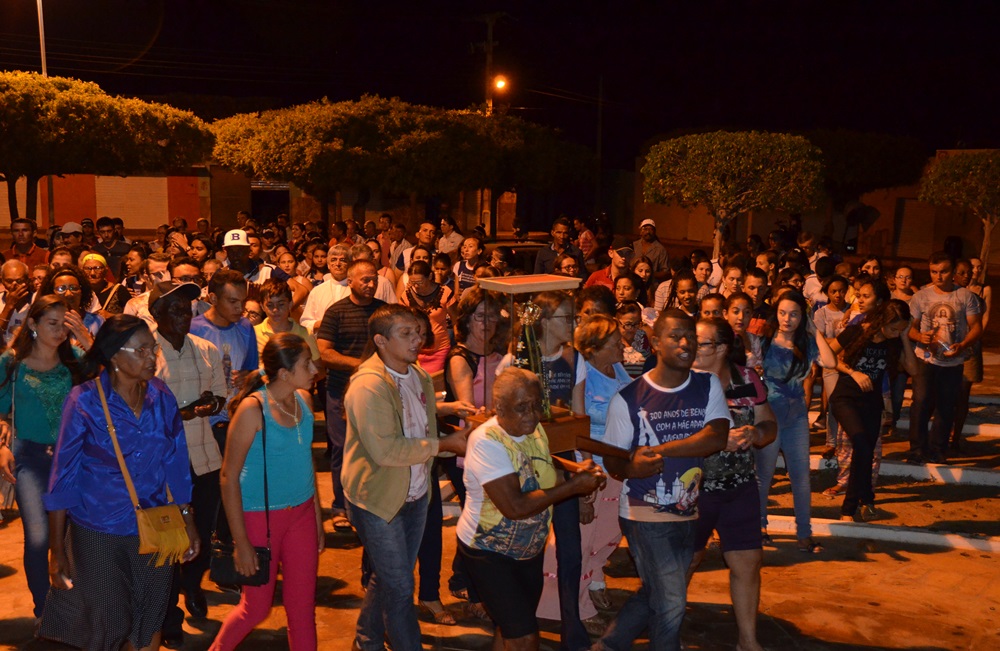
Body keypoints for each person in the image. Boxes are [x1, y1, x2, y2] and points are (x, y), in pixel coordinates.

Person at [40, 315, 199, 651]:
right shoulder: (84, 401)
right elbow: (62, 478)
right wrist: (57, 550)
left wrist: (188, 520)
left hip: (156, 524)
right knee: (110, 621)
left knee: (151, 615)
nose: (152, 357)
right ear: (114, 355)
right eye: (141, 350)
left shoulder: (161, 396)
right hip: (99, 531)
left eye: (153, 349)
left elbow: (176, 463)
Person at [593, 308, 730, 651]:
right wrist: (631, 468)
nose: (686, 344)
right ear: (655, 343)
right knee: (671, 601)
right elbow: (613, 459)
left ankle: (608, 646)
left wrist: (657, 451)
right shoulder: (629, 398)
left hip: (687, 508)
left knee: (657, 591)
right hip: (644, 513)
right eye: (675, 337)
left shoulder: (707, 384)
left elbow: (715, 437)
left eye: (691, 336)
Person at [343, 304, 469, 651]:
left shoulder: (418, 376)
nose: (418, 339)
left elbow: (421, 429)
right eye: (407, 333)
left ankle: (366, 642)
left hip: (416, 494)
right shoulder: (368, 386)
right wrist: (445, 444)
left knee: (388, 578)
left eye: (418, 332)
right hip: (378, 500)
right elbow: (385, 450)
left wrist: (454, 438)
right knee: (400, 587)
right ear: (380, 341)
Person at [459, 367, 605, 651]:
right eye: (521, 407)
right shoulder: (487, 441)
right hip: (489, 552)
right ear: (499, 407)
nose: (532, 414)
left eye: (536, 405)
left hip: (528, 550)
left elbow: (543, 467)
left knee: (511, 628)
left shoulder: (533, 429)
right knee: (525, 638)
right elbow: (514, 506)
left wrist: (577, 472)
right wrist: (574, 488)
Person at [210, 333, 324, 651]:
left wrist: (317, 518)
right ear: (284, 373)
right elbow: (228, 477)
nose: (315, 370)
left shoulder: (304, 400)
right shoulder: (253, 409)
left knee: (303, 610)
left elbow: (306, 463)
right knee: (255, 608)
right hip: (261, 519)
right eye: (307, 364)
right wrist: (242, 543)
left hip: (301, 514)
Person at [688, 317, 777, 651]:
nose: (690, 348)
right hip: (693, 490)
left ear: (722, 348)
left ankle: (748, 641)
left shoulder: (747, 379)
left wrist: (755, 433)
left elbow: (769, 425)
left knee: (748, 562)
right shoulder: (683, 381)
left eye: (700, 342)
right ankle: (666, 634)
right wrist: (714, 441)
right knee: (686, 562)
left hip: (739, 487)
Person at [149, 281, 228, 647]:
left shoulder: (206, 348)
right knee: (168, 543)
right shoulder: (147, 352)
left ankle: (193, 585)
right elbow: (138, 407)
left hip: (204, 456)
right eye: (175, 309)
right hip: (162, 463)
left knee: (203, 536)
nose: (185, 315)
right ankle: (169, 619)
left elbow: (221, 394)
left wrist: (212, 405)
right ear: (156, 314)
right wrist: (179, 414)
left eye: (188, 308)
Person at [0, 296, 85, 626]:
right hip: (29, 458)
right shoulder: (11, 363)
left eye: (65, 324)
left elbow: (113, 379)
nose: (60, 331)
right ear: (33, 324)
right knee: (38, 537)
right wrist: (2, 444)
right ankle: (44, 610)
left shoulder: (75, 359)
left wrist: (87, 339)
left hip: (73, 458)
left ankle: (72, 604)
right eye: (53, 323)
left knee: (73, 537)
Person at [816, 299, 917, 523]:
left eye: (900, 329)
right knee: (861, 443)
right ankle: (848, 509)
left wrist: (904, 337)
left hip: (871, 402)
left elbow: (913, 369)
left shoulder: (895, 342)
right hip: (845, 398)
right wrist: (853, 372)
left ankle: (867, 499)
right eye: (893, 328)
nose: (895, 333)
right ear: (881, 321)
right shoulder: (857, 332)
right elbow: (827, 357)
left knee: (866, 452)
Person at [315, 259, 385, 532]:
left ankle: (370, 504)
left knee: (375, 449)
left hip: (377, 392)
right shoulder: (336, 312)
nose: (371, 284)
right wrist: (361, 365)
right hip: (341, 392)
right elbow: (324, 353)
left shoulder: (384, 312)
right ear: (350, 281)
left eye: (374, 279)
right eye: (365, 279)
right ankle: (340, 506)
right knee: (342, 449)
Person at [573, 316, 633, 624]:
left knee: (609, 532)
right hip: (594, 465)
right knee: (585, 539)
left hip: (619, 465)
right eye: (615, 342)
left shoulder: (617, 367)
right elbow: (578, 424)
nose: (622, 345)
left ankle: (595, 578)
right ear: (594, 349)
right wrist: (584, 471)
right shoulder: (585, 376)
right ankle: (580, 606)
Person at [754, 290, 821, 553]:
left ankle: (804, 534)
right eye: (782, 313)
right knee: (764, 475)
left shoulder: (807, 343)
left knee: (801, 477)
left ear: (802, 316)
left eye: (794, 314)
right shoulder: (764, 340)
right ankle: (760, 528)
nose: (787, 319)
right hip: (769, 415)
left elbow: (829, 361)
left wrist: (814, 328)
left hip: (797, 416)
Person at [907, 252, 982, 464]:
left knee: (946, 406)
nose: (938, 276)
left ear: (952, 272)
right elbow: (909, 328)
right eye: (933, 272)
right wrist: (920, 337)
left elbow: (976, 327)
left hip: (953, 360)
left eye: (943, 271)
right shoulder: (921, 297)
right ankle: (917, 449)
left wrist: (963, 345)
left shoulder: (965, 296)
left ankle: (938, 449)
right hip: (925, 358)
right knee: (920, 402)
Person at [190, 269, 259, 455]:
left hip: (235, 419)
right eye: (233, 301)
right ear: (213, 298)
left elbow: (252, 371)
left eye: (242, 301)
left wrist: (247, 377)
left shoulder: (245, 327)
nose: (240, 308)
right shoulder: (193, 330)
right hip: (202, 423)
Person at [398, 260, 454, 374]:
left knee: (434, 380)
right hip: (414, 349)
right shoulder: (406, 296)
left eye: (420, 282)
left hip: (439, 349)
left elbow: (456, 320)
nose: (416, 286)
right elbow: (400, 323)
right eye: (413, 282)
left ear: (429, 276)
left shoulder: (445, 292)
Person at [254, 279, 321, 363]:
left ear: (290, 304)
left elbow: (318, 368)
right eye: (270, 305)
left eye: (281, 304)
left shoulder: (305, 334)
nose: (275, 309)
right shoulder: (254, 333)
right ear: (262, 306)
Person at [38, 266, 100, 346]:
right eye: (61, 289)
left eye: (74, 288)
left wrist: (89, 343)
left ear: (82, 292)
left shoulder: (98, 322)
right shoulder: (43, 322)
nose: (69, 294)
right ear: (51, 292)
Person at [0, 259, 31, 345]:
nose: (14, 285)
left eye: (19, 281)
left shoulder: (35, 301)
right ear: (2, 280)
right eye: (9, 281)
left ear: (27, 280)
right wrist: (9, 306)